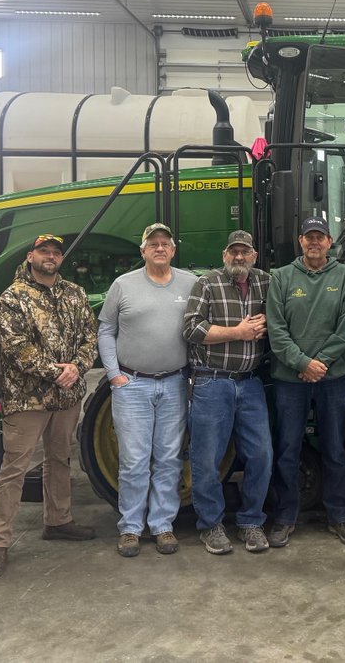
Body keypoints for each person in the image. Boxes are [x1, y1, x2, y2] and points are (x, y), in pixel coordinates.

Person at [0, 234, 98, 579]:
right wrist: (55, 372)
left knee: (60, 460)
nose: (50, 256)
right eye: (44, 251)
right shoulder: (12, 297)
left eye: (56, 252)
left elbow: (90, 336)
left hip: (66, 397)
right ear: (31, 255)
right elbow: (14, 346)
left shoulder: (74, 293)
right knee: (14, 468)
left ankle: (58, 521)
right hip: (27, 398)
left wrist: (77, 366)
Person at [99, 223, 197, 558]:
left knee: (169, 458)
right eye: (152, 243)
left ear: (173, 250)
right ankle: (130, 528)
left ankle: (162, 526)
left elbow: (199, 329)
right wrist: (114, 375)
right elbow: (105, 330)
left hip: (174, 383)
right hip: (132, 384)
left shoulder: (191, 283)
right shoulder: (122, 285)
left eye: (165, 243)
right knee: (134, 460)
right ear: (142, 251)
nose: (159, 248)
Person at [266, 216, 345, 548]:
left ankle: (340, 517)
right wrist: (302, 363)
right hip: (290, 380)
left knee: (334, 449)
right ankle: (285, 516)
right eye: (309, 237)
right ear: (300, 241)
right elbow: (276, 330)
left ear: (330, 241)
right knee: (288, 449)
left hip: (333, 379)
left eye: (320, 237)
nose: (315, 242)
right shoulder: (281, 277)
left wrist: (319, 365)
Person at [182, 229, 272, 555]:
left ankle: (251, 522)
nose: (239, 257)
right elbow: (191, 328)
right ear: (224, 256)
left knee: (261, 455)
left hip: (250, 383)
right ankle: (210, 525)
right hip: (211, 381)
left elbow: (283, 317)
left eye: (245, 252)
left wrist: (269, 320)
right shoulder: (206, 283)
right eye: (233, 252)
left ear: (254, 256)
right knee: (206, 459)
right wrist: (239, 332)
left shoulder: (266, 282)